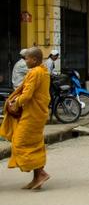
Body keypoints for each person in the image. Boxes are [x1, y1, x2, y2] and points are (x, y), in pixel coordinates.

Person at [0, 47, 51, 190]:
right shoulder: (43, 70)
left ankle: (41, 173)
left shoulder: (35, 72)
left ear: (34, 60)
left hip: (32, 114)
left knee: (19, 142)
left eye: (27, 58)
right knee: (34, 144)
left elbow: (27, 95)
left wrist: (15, 104)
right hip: (38, 113)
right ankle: (37, 178)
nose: (25, 61)